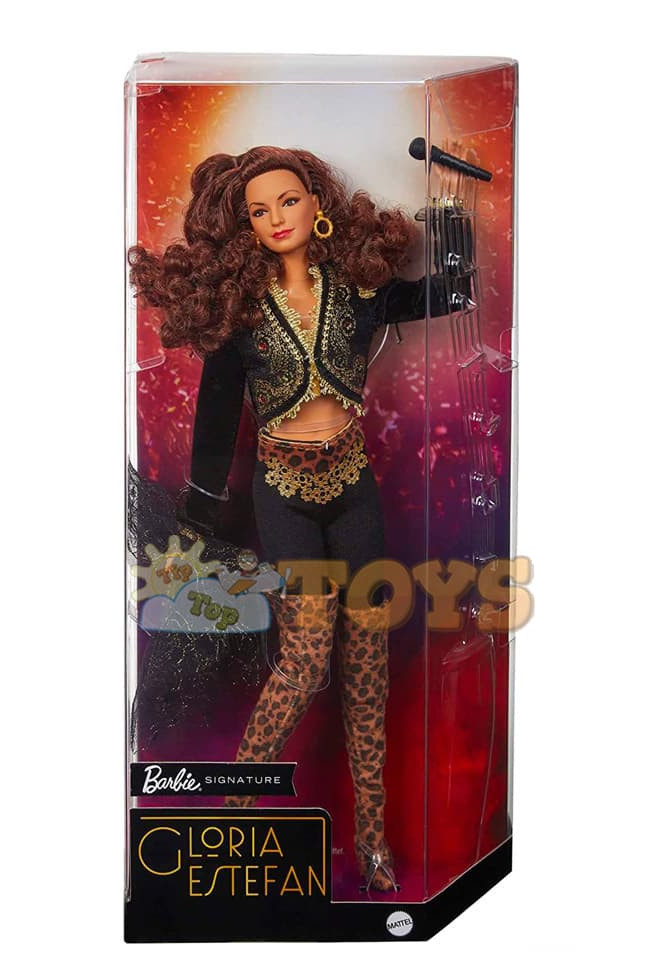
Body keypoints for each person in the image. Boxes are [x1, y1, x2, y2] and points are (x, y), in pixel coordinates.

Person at [128, 145, 466, 892]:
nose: (276, 219)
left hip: (354, 488)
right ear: (245, 227)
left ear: (317, 205)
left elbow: (447, 296)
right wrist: (197, 515)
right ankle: (235, 814)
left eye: (287, 201)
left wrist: (453, 225)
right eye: (259, 211)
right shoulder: (244, 314)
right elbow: (217, 417)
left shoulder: (359, 292)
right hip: (282, 493)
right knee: (308, 659)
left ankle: (373, 839)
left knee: (368, 669)